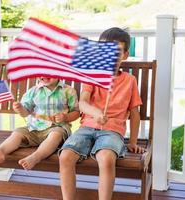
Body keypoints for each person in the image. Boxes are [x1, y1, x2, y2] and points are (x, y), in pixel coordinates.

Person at [59, 27, 145, 200]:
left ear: (125, 55)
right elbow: (82, 103)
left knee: (106, 158)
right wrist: (95, 112)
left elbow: (134, 113)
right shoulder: (92, 76)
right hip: (87, 127)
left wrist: (133, 141)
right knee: (66, 156)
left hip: (112, 131)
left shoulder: (130, 81)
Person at [0, 77, 80, 170]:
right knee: (18, 133)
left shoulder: (68, 91)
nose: (43, 75)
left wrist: (66, 117)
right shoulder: (33, 91)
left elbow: (76, 112)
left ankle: (35, 157)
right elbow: (25, 113)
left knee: (55, 135)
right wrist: (20, 109)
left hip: (56, 127)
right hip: (33, 128)